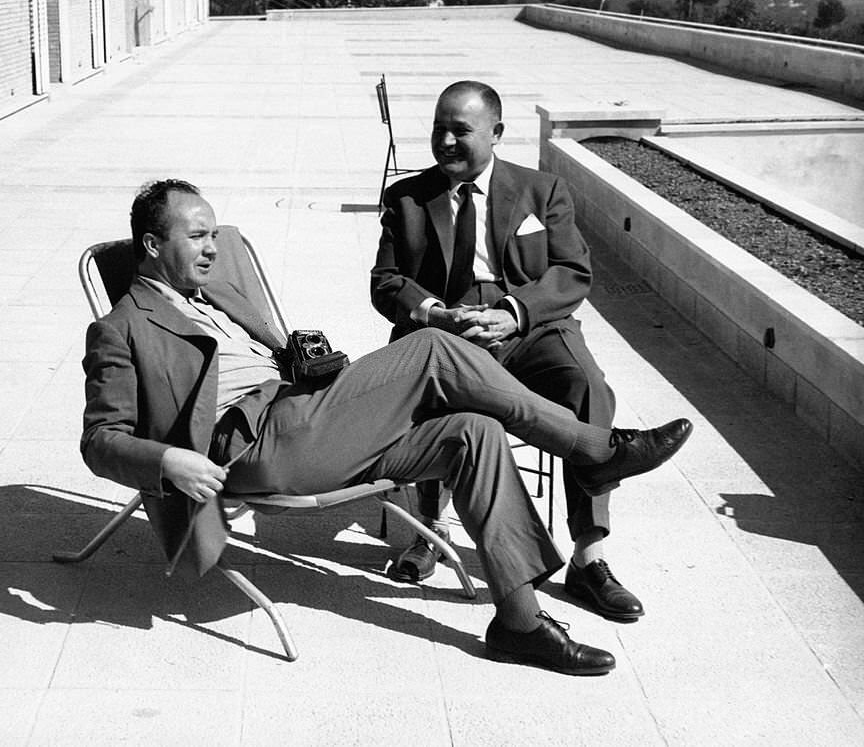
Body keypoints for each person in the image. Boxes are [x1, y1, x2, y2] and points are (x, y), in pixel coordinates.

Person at [81, 179, 692, 675]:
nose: (213, 248)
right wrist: (167, 462)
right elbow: (100, 440)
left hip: (313, 417)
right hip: (257, 444)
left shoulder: (216, 295)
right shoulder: (121, 327)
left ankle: (519, 624)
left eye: (215, 233)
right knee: (431, 346)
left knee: (472, 433)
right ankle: (594, 449)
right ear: (153, 246)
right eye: (197, 236)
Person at [371, 80, 642, 622]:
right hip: (447, 329)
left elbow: (573, 271)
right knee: (429, 389)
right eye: (438, 128)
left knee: (587, 387)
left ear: (496, 133)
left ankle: (589, 560)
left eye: (460, 130)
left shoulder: (543, 190)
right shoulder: (407, 198)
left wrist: (514, 312)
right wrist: (433, 313)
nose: (445, 140)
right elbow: (386, 281)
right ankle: (430, 531)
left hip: (529, 326)